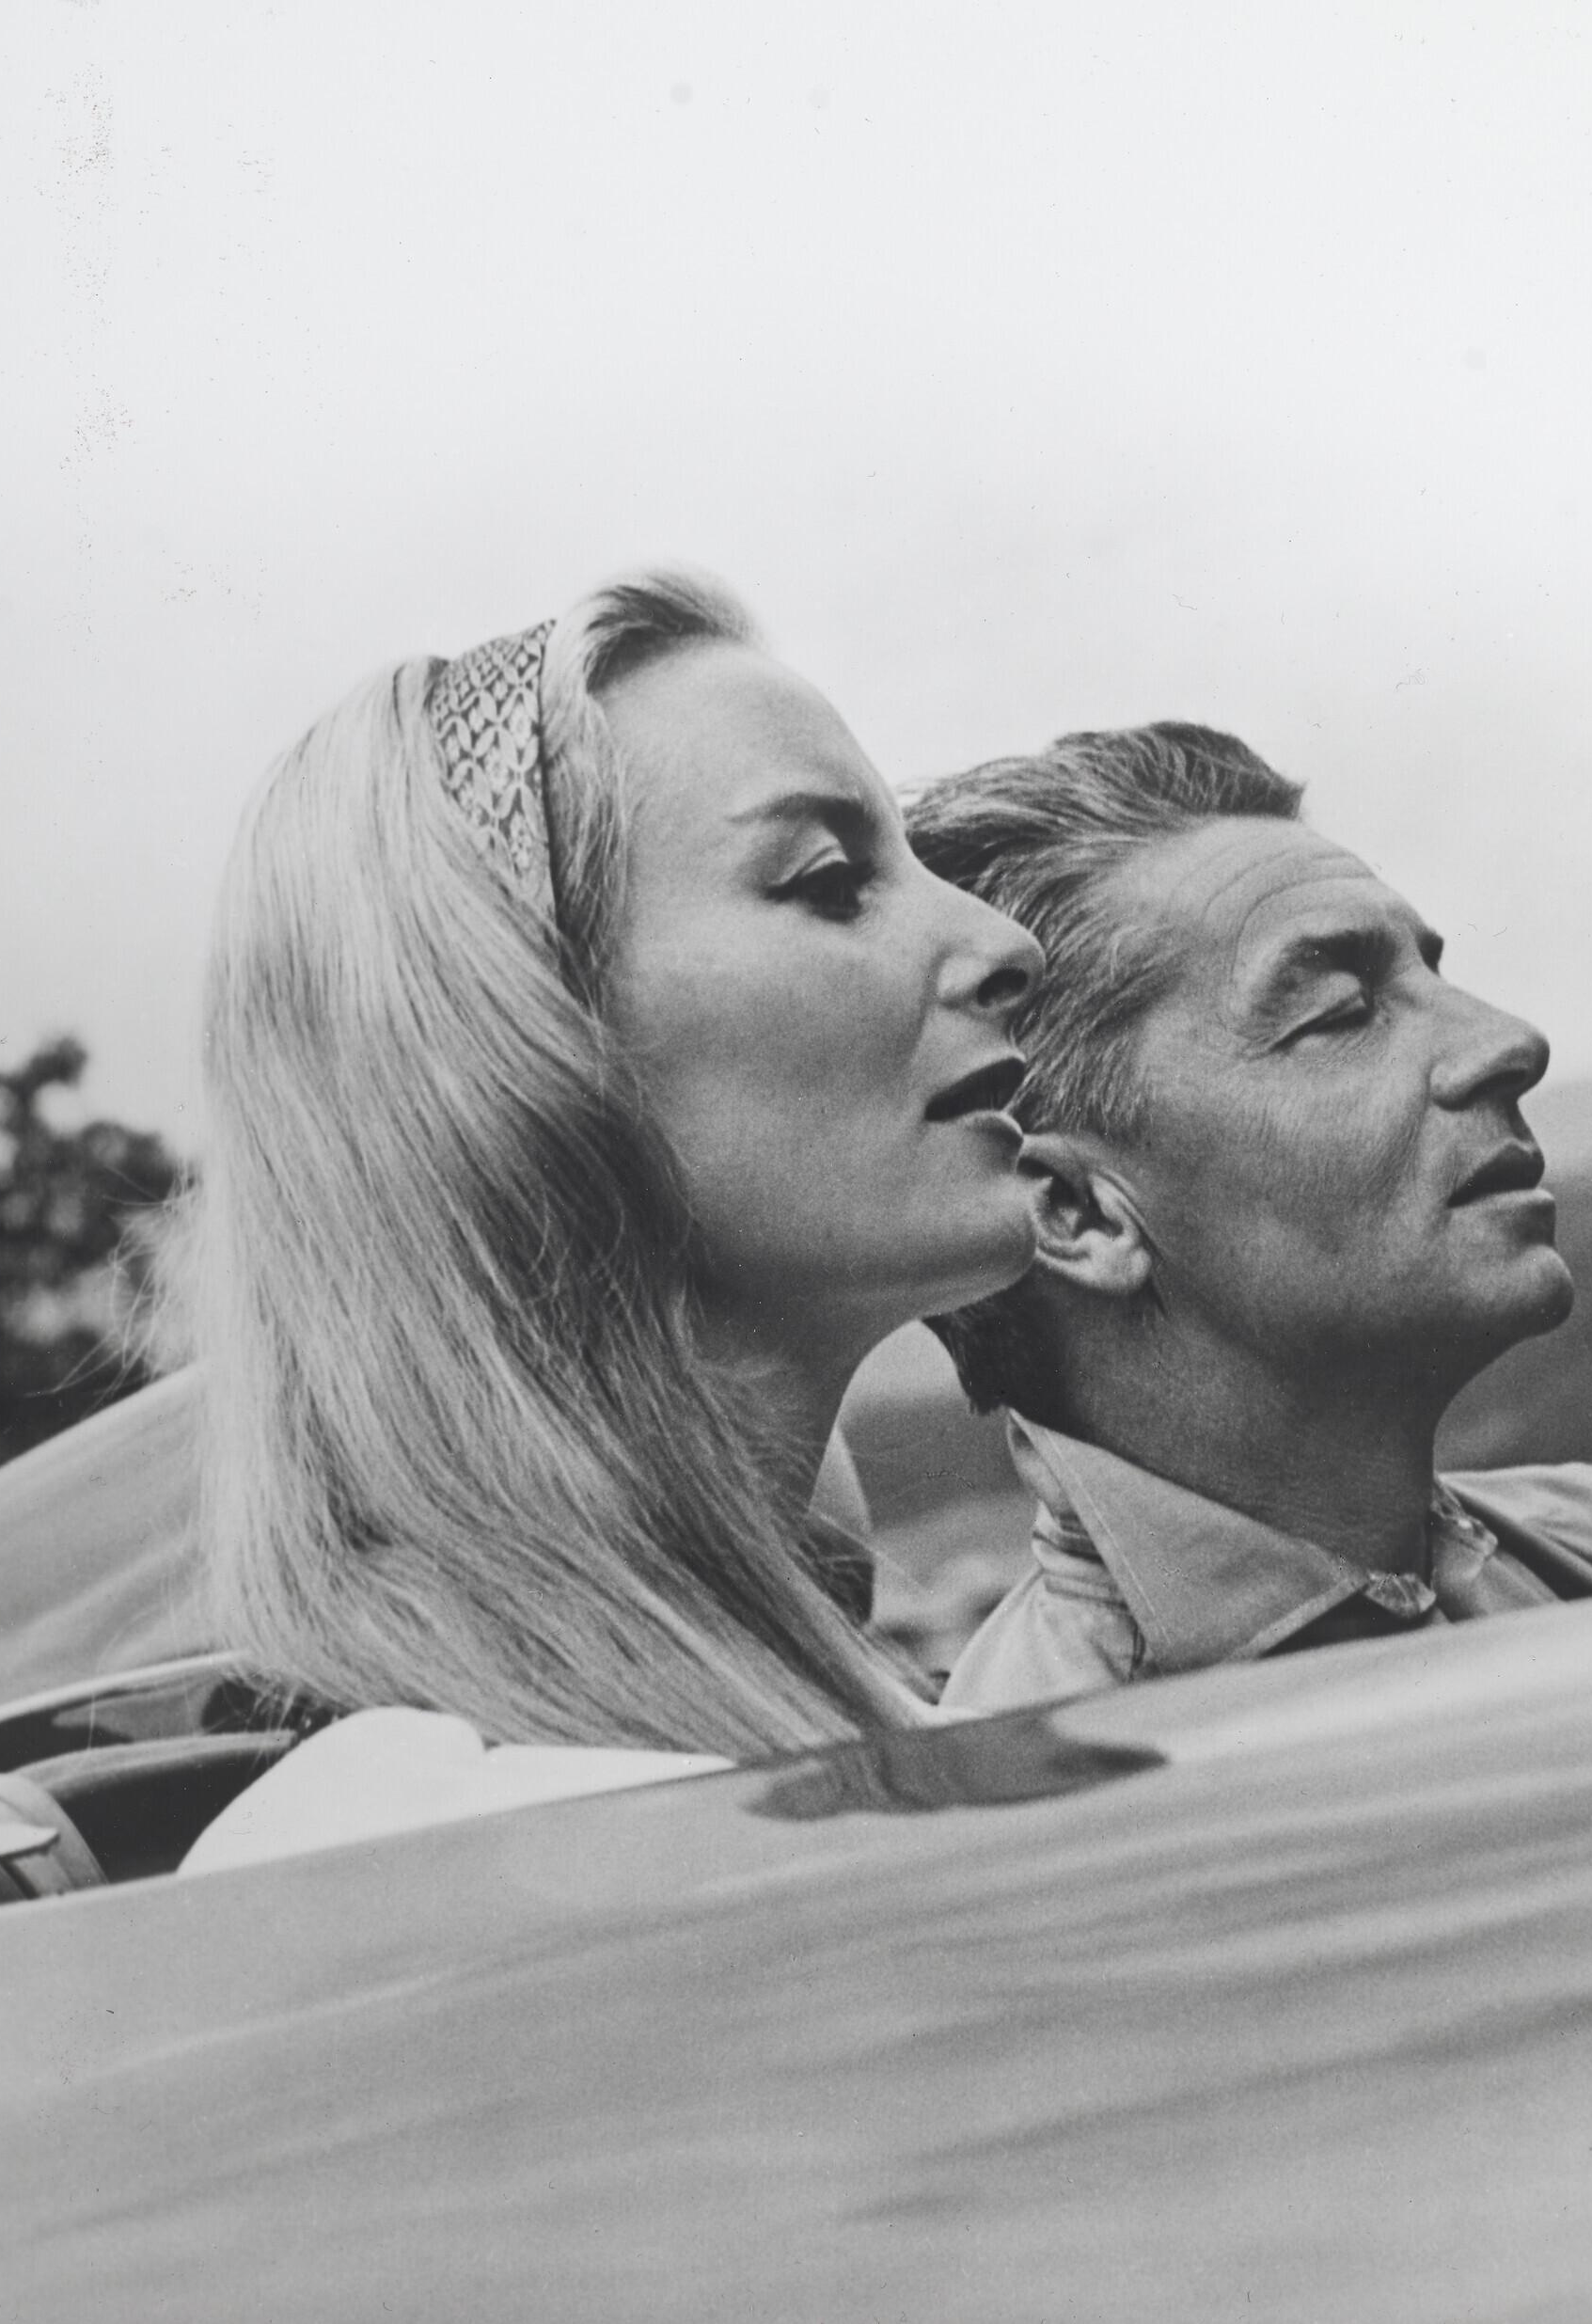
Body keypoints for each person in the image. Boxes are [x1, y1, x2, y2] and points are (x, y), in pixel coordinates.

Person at [176, 571, 1044, 1871]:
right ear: (508, 1059)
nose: (1002, 940)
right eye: (825, 878)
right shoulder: (402, 1850)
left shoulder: (861, 1745)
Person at [903, 723, 1592, 1714]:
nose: (1506, 1042)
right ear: (1075, 1212)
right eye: (1342, 1012)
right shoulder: (1040, 1797)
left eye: (1431, 976)